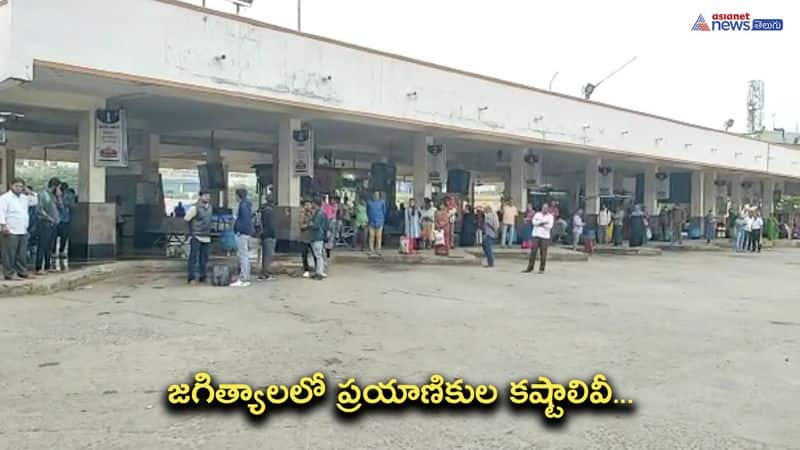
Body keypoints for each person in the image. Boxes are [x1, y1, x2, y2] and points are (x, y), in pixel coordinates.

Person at [1, 178, 31, 281]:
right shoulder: (5, 198)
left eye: (21, 186)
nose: (19, 188)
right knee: (9, 253)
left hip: (22, 229)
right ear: (11, 185)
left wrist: (30, 192)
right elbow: (1, 212)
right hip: (10, 229)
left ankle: (22, 272)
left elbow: (35, 201)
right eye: (17, 186)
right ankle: (9, 273)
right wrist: (3, 225)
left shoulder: (24, 198)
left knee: (22, 253)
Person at [185, 190, 213, 284]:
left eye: (208, 196)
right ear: (200, 197)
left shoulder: (210, 207)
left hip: (206, 236)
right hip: (196, 236)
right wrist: (190, 232)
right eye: (205, 196)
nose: (207, 197)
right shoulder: (194, 208)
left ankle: (203, 276)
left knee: (204, 258)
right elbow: (187, 219)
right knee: (194, 257)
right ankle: (191, 277)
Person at [35, 177, 61, 274]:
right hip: (45, 224)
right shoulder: (43, 195)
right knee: (42, 246)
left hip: (53, 224)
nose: (59, 189)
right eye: (58, 187)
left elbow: (60, 206)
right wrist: (49, 218)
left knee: (50, 246)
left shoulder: (53, 196)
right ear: (54, 186)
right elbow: (40, 209)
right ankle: (38, 267)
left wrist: (59, 196)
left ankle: (47, 266)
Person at [231, 188, 253, 287]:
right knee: (245, 255)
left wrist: (239, 230)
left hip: (241, 233)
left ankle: (243, 278)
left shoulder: (243, 205)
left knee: (242, 255)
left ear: (238, 195)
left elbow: (243, 220)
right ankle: (245, 277)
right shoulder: (247, 204)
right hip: (246, 232)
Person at [524, 205, 554, 274]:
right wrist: (543, 223)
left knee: (543, 253)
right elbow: (534, 223)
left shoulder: (550, 216)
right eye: (543, 208)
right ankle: (530, 268)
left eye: (546, 208)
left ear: (548, 209)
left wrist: (539, 223)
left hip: (545, 237)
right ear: (542, 208)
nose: (545, 209)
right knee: (533, 252)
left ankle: (541, 269)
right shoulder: (537, 214)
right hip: (536, 235)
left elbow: (549, 226)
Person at [310, 197, 329, 280]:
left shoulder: (319, 214)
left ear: (315, 204)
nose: (311, 205)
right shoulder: (321, 213)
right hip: (319, 236)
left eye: (312, 203)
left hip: (317, 236)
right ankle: (318, 272)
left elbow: (315, 225)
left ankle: (319, 273)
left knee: (318, 255)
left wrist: (310, 224)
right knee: (318, 255)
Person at [259, 200, 277, 280]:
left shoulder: (263, 212)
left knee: (265, 256)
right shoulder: (270, 213)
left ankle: (264, 273)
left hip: (264, 236)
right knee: (268, 256)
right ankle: (265, 274)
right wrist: (274, 235)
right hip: (269, 236)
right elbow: (271, 226)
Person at [298, 199, 315, 278]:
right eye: (307, 205)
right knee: (304, 255)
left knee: (315, 254)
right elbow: (301, 226)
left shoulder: (313, 213)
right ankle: (306, 270)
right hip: (304, 238)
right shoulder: (302, 214)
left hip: (312, 238)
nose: (308, 206)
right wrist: (309, 225)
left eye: (309, 205)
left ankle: (317, 269)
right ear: (304, 206)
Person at [366, 191, 386, 255]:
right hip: (371, 222)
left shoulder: (382, 202)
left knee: (379, 237)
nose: (376, 196)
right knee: (371, 236)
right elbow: (367, 211)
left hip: (379, 222)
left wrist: (382, 219)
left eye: (377, 194)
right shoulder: (369, 202)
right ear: (372, 195)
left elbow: (384, 211)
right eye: (374, 194)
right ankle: (371, 250)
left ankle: (378, 250)